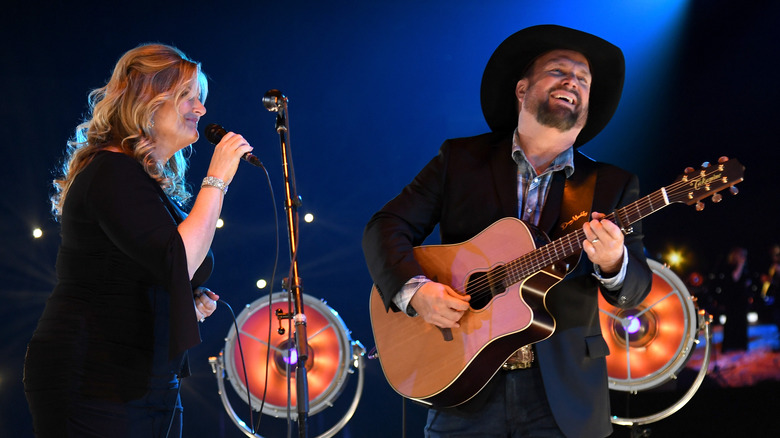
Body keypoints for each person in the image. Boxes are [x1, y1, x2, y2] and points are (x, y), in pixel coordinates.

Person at [362, 25, 653, 437]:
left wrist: (614, 262)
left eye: (583, 80)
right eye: (558, 70)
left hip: (563, 399)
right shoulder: (460, 159)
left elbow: (635, 289)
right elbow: (385, 226)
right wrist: (415, 291)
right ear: (522, 89)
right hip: (460, 383)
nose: (572, 81)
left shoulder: (613, 185)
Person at [23, 43, 253, 437]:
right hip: (94, 377)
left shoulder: (143, 181)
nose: (201, 109)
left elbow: (154, 264)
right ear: (148, 99)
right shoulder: (111, 171)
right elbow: (176, 258)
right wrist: (217, 181)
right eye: (188, 97)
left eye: (200, 99)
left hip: (145, 377)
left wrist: (180, 298)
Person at [714, 247, 751, 352]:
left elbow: (745, 280)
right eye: (741, 255)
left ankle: (741, 344)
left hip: (742, 298)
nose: (743, 257)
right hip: (732, 298)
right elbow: (734, 278)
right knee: (731, 321)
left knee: (742, 321)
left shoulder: (745, 267)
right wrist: (740, 265)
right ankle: (729, 344)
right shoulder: (729, 266)